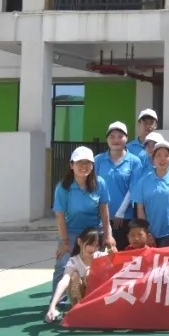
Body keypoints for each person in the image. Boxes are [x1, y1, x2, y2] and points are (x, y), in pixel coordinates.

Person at [52, 146, 114, 297]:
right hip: (71, 232)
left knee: (97, 267)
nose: (84, 166)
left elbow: (104, 212)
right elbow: (59, 216)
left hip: (94, 233)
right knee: (62, 265)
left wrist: (108, 236)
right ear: (71, 165)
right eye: (80, 162)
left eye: (88, 163)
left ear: (92, 166)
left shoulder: (100, 183)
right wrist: (65, 242)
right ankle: (57, 301)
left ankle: (93, 299)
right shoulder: (63, 187)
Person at [133, 138, 169, 247]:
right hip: (150, 232)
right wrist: (146, 232)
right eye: (158, 155)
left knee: (168, 258)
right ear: (153, 159)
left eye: (166, 155)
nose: (162, 159)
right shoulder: (143, 181)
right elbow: (140, 210)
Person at [95, 121, 143, 250]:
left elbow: (133, 189)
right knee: (100, 255)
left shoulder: (134, 161)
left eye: (120, 136)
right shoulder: (98, 160)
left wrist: (120, 213)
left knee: (122, 254)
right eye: (112, 136)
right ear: (107, 139)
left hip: (124, 218)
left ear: (126, 138)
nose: (116, 140)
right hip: (100, 216)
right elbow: (93, 186)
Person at [44, 228, 107, 322]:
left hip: (98, 298)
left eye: (97, 245)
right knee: (73, 276)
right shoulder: (73, 261)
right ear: (79, 242)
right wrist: (52, 307)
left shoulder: (102, 257)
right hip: (80, 298)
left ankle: (95, 309)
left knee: (91, 273)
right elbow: (64, 281)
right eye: (90, 244)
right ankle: (79, 308)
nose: (93, 248)